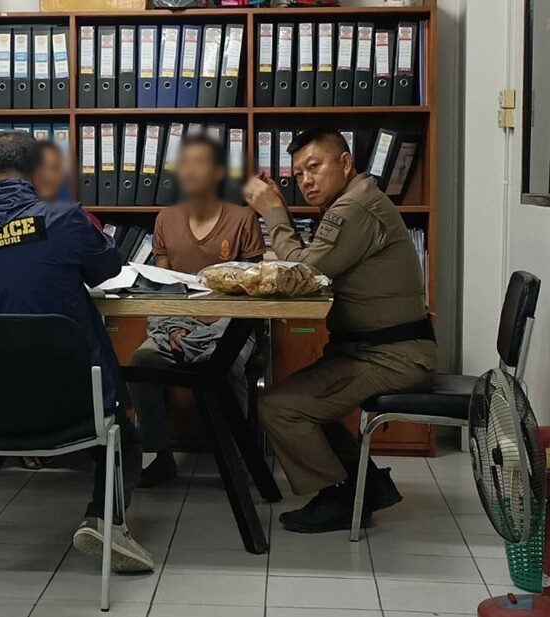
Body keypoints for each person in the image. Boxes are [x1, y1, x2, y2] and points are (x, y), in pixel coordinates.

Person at [0, 131, 154, 572]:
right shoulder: (62, 218)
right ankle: (104, 521)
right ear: (38, 176)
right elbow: (108, 266)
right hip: (68, 404)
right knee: (123, 435)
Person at [242, 127, 436, 533]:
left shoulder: (355, 208)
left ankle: (340, 497)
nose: (306, 181)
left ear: (345, 163)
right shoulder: (353, 201)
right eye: (298, 174)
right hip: (375, 350)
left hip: (391, 357)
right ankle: (365, 483)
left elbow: (304, 273)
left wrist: (274, 214)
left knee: (278, 405)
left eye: (315, 167)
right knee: (301, 399)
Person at [128, 134, 267, 488]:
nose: (190, 170)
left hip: (229, 325)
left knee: (227, 367)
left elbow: (253, 291)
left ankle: (234, 459)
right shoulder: (165, 218)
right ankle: (160, 455)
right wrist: (172, 329)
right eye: (184, 162)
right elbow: (160, 287)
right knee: (142, 362)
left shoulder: (243, 219)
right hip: (176, 323)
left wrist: (210, 330)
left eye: (200, 162)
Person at [33, 139, 103, 230]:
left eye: (55, 168)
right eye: (41, 168)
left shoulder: (86, 221)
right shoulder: (21, 223)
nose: (48, 176)